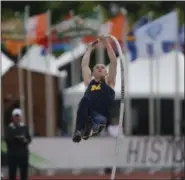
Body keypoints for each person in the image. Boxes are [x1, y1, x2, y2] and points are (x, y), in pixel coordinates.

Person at [73, 36, 117, 143]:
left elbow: (113, 62)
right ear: (93, 73)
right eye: (97, 67)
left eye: (102, 67)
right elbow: (84, 66)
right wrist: (89, 50)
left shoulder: (109, 81)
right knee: (85, 101)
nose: (100, 68)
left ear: (106, 72)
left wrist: (107, 44)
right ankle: (79, 131)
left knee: (95, 123)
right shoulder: (89, 82)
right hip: (89, 112)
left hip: (101, 114)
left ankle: (89, 130)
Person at [5, 108, 31, 180]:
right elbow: (7, 139)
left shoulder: (25, 127)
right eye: (15, 116)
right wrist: (16, 138)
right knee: (12, 174)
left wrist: (24, 140)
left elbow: (29, 139)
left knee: (24, 174)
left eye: (18, 116)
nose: (17, 118)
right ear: (12, 117)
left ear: (21, 117)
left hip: (23, 154)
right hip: (12, 155)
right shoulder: (9, 128)